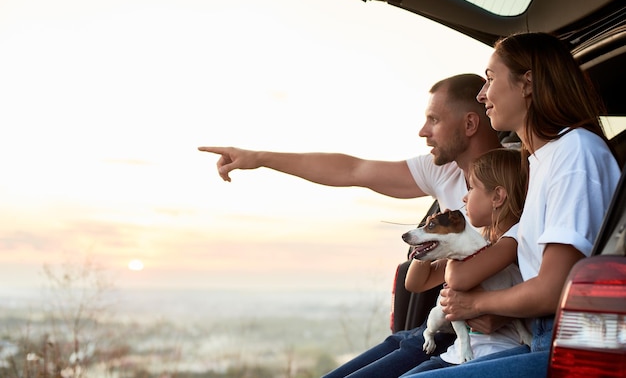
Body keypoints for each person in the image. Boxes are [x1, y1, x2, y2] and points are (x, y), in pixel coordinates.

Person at [199, 73, 505, 377]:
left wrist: (498, 311)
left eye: (434, 120)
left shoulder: (516, 181)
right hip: (435, 331)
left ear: (469, 124)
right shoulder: (443, 171)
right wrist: (259, 157)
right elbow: (353, 170)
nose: (423, 132)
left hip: (474, 343)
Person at [401, 32, 621, 378]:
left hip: (565, 344)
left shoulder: (575, 152)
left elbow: (552, 288)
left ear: (527, 84)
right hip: (539, 336)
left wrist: (475, 304)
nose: (481, 94)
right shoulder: (539, 160)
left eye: (490, 79)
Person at [400, 148, 529, 376]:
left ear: (497, 197)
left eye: (471, 188)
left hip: (485, 354)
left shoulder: (511, 241)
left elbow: (458, 278)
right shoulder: (481, 242)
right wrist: (431, 239)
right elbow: (415, 283)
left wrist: (448, 238)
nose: (464, 197)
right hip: (456, 351)